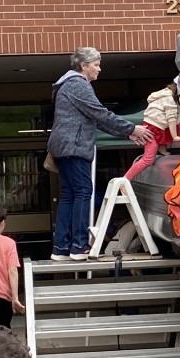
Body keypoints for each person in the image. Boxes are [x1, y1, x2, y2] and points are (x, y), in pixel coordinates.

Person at [48, 47, 151, 261]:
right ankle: (78, 246)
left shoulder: (66, 84)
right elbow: (100, 114)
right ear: (83, 65)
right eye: (96, 64)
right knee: (83, 192)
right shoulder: (78, 84)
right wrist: (132, 129)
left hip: (62, 146)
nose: (99, 69)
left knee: (69, 195)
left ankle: (61, 248)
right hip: (75, 145)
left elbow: (95, 118)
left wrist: (127, 133)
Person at [124, 78, 180, 181]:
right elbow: (171, 119)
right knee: (148, 159)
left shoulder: (167, 94)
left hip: (160, 126)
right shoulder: (170, 99)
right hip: (152, 129)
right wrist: (175, 137)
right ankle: (125, 179)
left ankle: (162, 146)